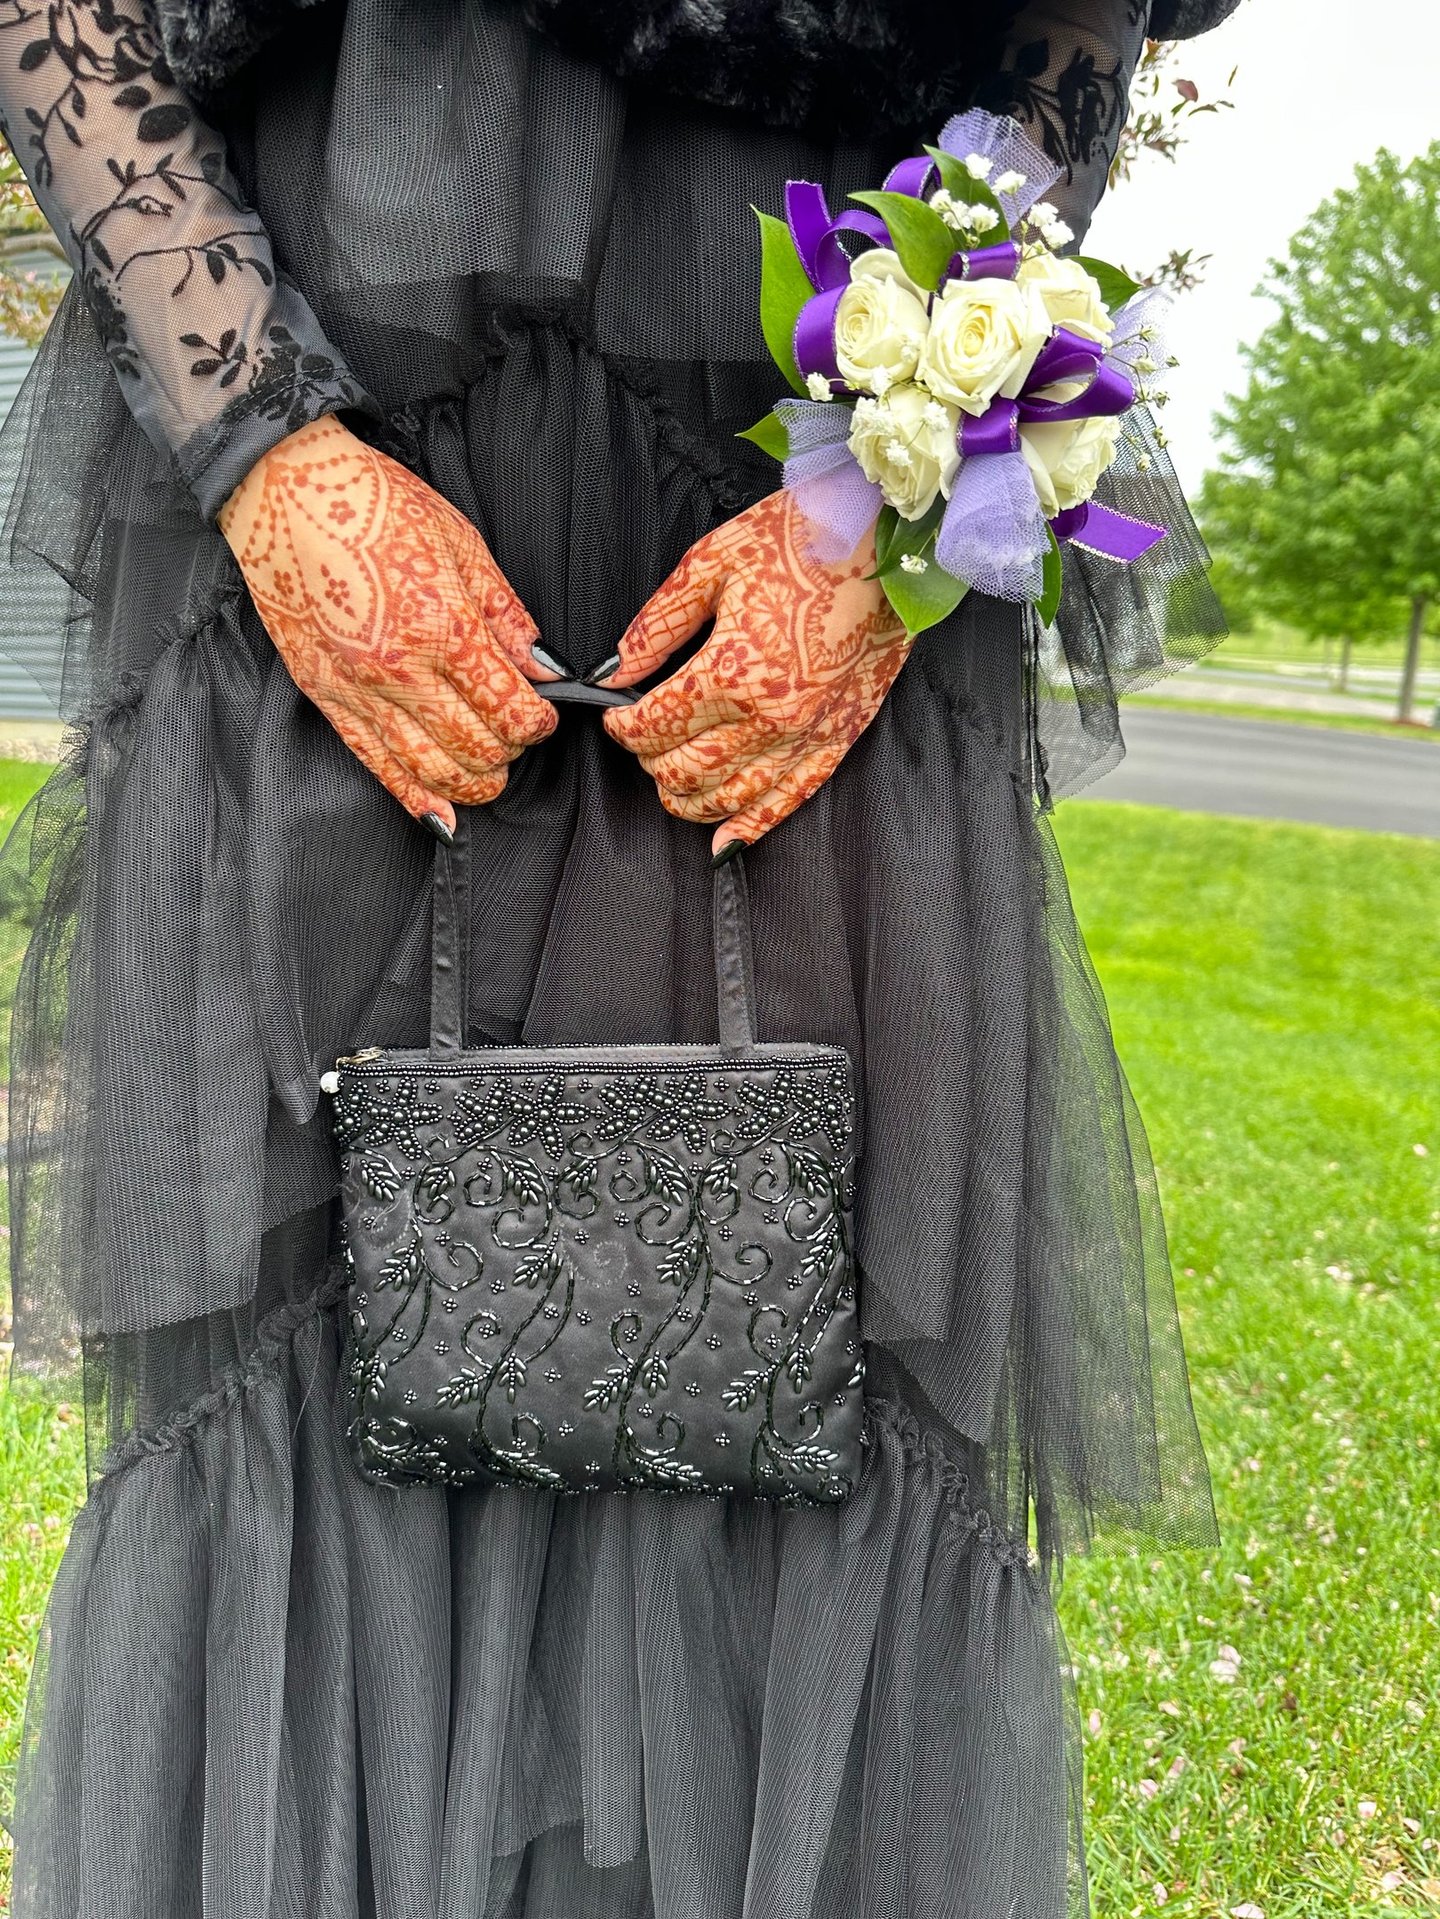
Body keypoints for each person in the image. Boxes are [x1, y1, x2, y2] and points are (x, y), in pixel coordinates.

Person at [0, 0, 1234, 1912]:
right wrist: (262, 447)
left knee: (802, 1350)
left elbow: (1080, 21)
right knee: (307, 1370)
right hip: (320, 418)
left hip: (808, 472)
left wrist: (897, 494)